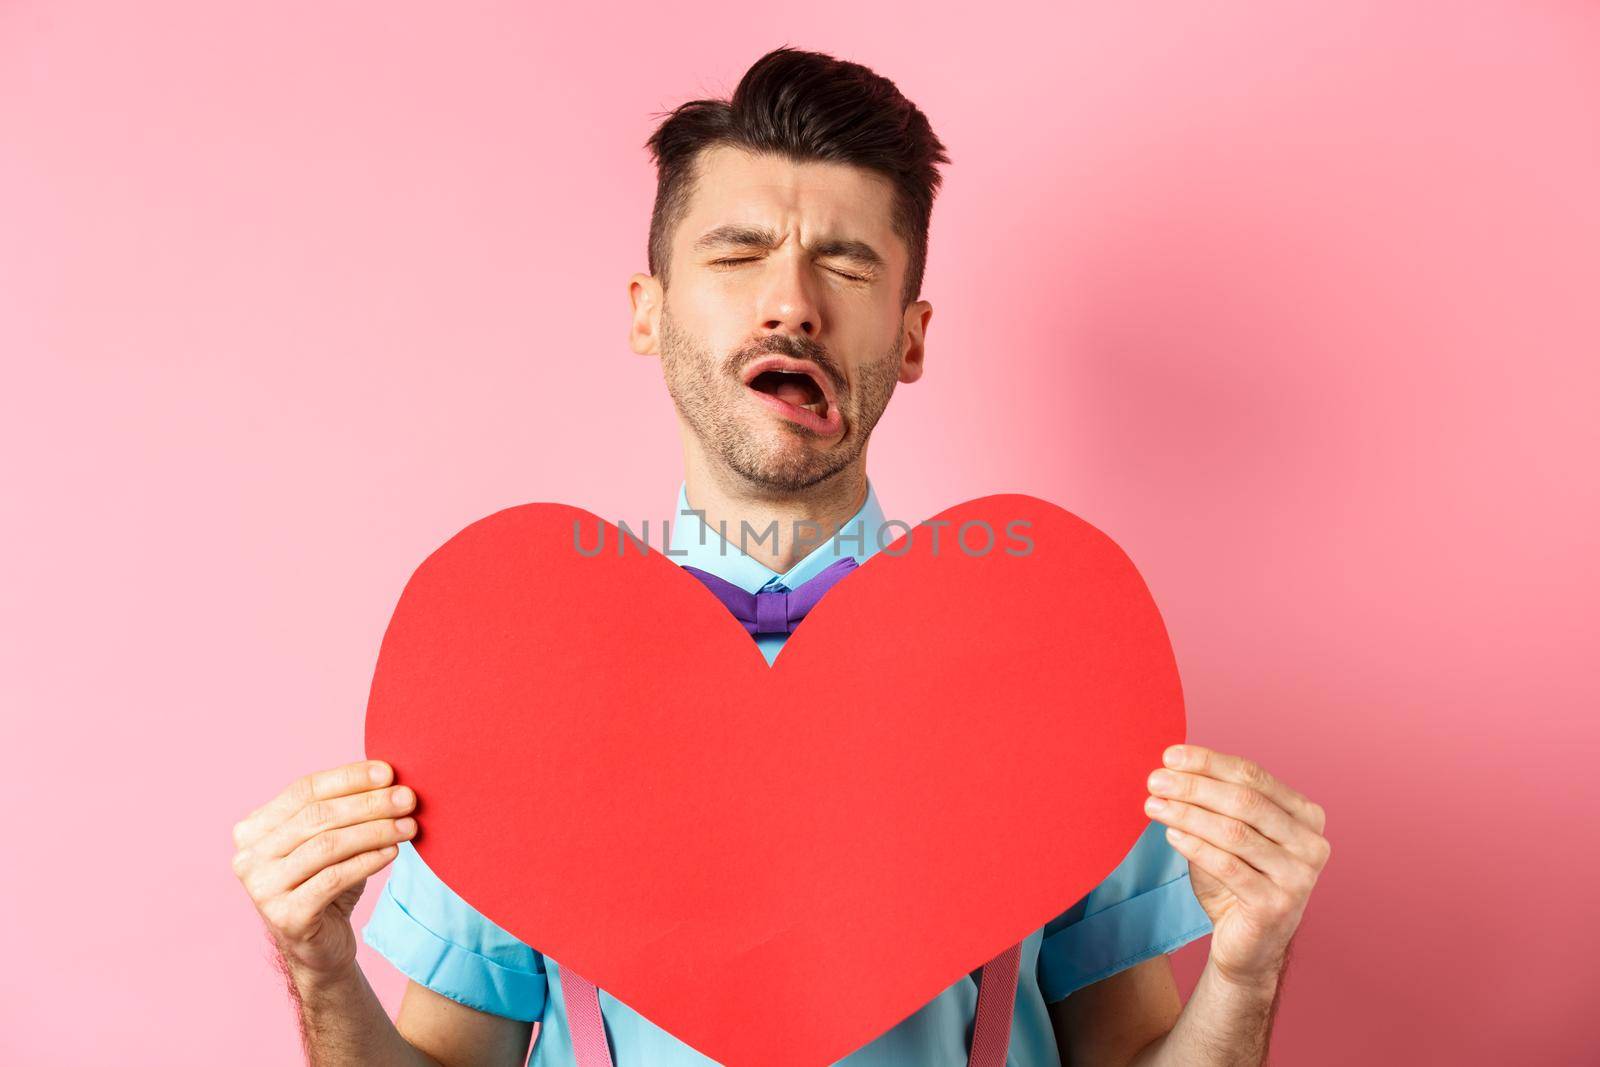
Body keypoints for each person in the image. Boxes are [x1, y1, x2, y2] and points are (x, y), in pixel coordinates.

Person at [231, 46, 1331, 1066]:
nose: (790, 303)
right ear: (648, 314)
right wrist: (320, 964)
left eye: (846, 265)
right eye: (738, 252)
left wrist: (1247, 967)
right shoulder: (518, 667)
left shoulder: (1047, 658)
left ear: (908, 336)